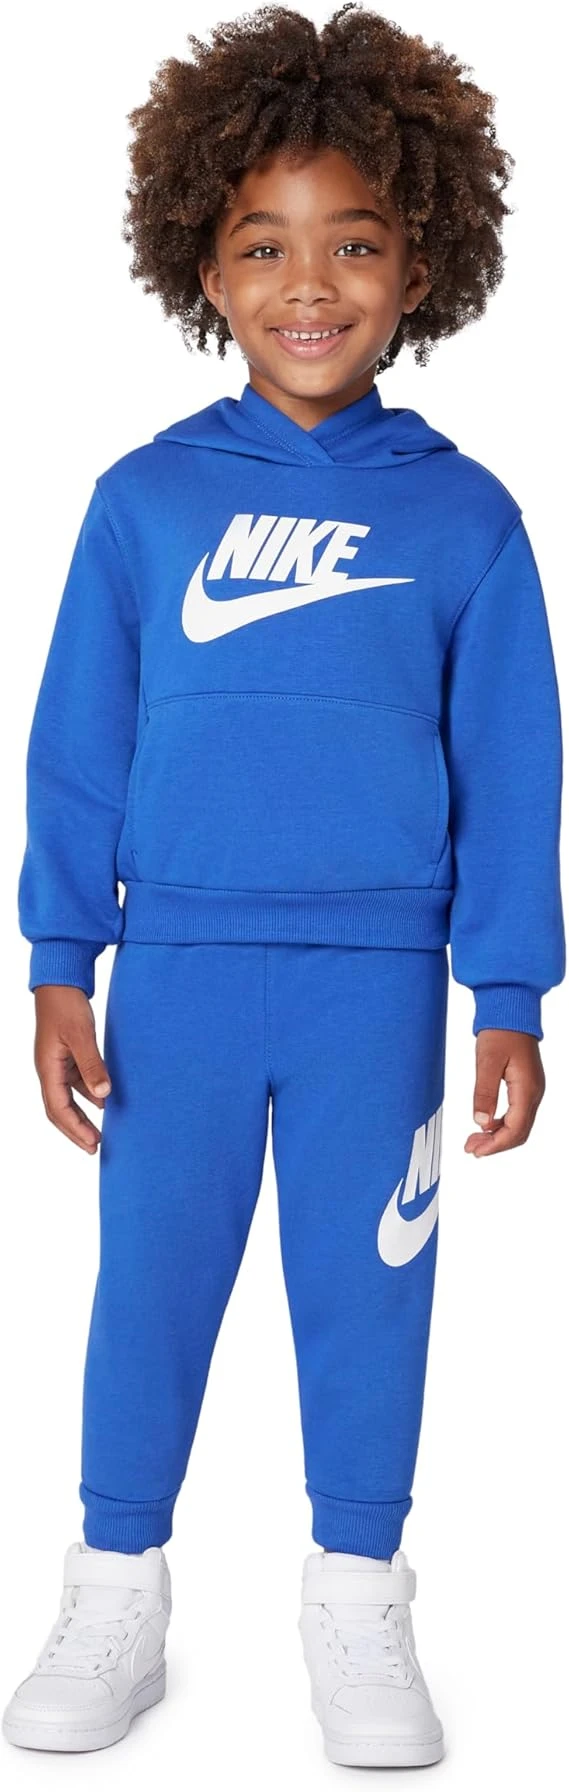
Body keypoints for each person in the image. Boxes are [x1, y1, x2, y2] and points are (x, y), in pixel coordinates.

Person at [3, 1, 565, 1768]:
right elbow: (77, 746)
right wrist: (60, 957)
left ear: (423, 268)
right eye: (263, 245)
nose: (309, 284)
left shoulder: (467, 518)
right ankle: (114, 1586)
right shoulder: (143, 502)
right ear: (203, 265)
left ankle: (359, 1596)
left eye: (355, 245)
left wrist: (508, 992)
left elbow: (518, 775)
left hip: (375, 991)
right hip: (174, 974)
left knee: (368, 1294)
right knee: (148, 1289)